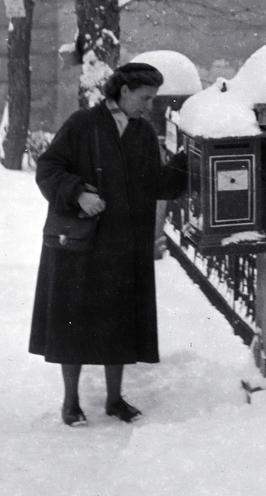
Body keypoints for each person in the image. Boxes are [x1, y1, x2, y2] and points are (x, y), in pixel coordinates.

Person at [29, 62, 189, 426]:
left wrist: (192, 164)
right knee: (73, 325)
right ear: (124, 91)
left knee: (118, 323)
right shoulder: (83, 124)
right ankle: (70, 403)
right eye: (145, 98)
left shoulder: (142, 133)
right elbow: (48, 168)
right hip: (81, 245)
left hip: (122, 246)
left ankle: (115, 400)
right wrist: (78, 193)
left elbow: (157, 183)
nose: (149, 106)